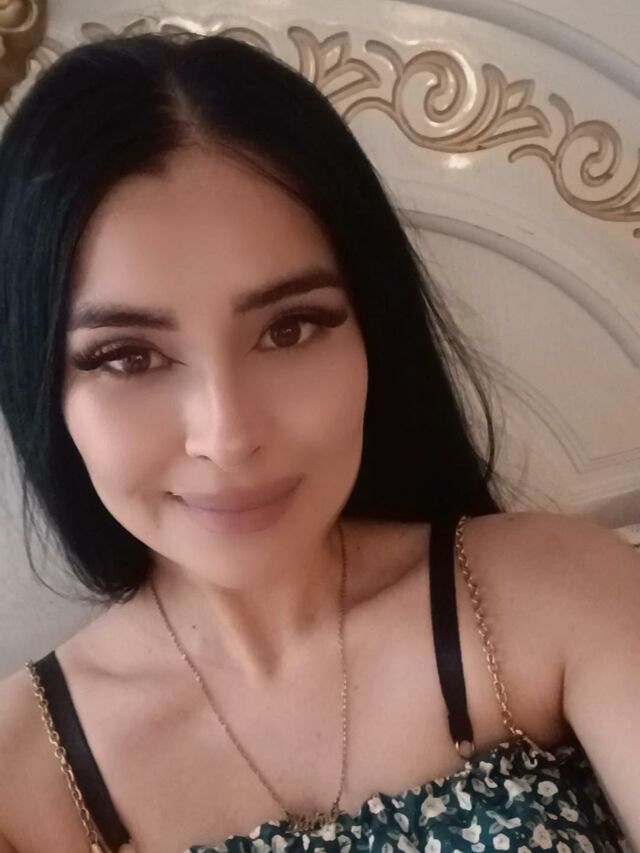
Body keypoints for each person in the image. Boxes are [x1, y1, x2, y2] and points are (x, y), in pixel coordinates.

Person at [0, 31, 637, 853]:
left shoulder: (554, 593)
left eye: (290, 328)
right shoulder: (23, 780)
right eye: (128, 356)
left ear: (372, 331)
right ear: (43, 387)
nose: (228, 435)